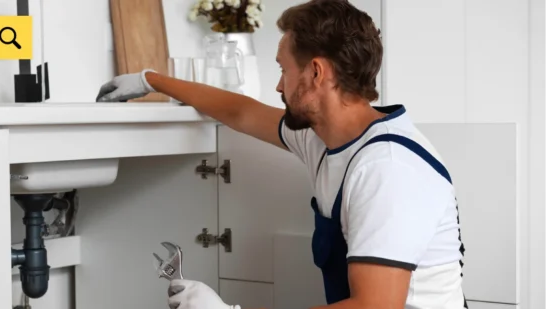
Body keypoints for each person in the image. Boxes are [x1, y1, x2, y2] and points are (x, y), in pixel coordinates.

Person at [95, 0, 467, 308]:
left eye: (283, 69)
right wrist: (151, 79)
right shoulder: (324, 138)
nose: (277, 84)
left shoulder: (386, 168)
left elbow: (374, 308)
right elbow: (241, 112)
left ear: (317, 72)